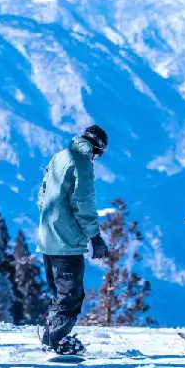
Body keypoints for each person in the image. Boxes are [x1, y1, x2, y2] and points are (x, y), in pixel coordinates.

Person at [36, 125, 110, 356]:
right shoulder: (82, 163)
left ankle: (51, 338)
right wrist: (95, 237)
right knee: (71, 295)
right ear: (96, 148)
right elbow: (83, 203)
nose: (96, 158)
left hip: (47, 237)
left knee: (59, 294)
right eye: (99, 154)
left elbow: (42, 194)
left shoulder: (59, 157)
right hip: (66, 242)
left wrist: (54, 221)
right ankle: (58, 342)